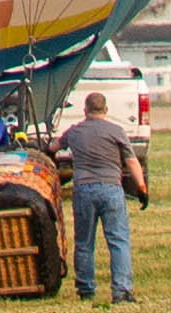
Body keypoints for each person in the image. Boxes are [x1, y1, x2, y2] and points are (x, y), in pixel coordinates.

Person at [60, 87, 144, 302]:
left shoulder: (74, 131)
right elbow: (132, 160)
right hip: (111, 189)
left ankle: (86, 289)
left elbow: (53, 146)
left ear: (85, 109)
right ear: (105, 109)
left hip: (83, 190)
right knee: (118, 241)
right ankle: (121, 291)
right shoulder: (116, 131)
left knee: (84, 242)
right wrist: (142, 188)